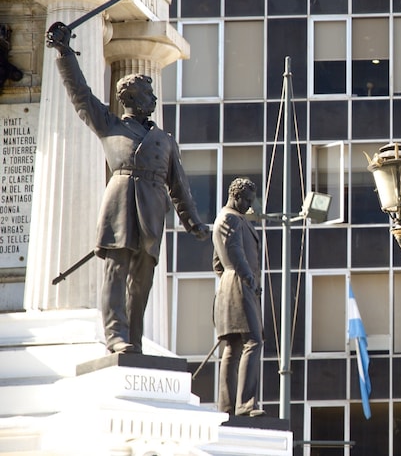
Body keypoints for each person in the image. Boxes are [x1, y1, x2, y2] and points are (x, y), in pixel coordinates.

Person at [46, 22, 209, 354]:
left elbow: (179, 187)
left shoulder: (166, 141)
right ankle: (116, 335)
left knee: (142, 282)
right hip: (120, 204)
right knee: (116, 272)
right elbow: (81, 94)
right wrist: (64, 52)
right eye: (149, 94)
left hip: (151, 211)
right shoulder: (111, 125)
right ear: (132, 98)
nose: (154, 98)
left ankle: (134, 339)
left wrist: (194, 222)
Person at [212, 177, 264, 417]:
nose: (249, 206)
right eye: (247, 201)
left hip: (231, 284)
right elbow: (234, 251)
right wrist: (248, 278)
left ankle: (228, 405)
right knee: (253, 341)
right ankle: (245, 404)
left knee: (233, 347)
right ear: (236, 196)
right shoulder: (230, 218)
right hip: (240, 285)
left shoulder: (228, 218)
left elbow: (216, 264)